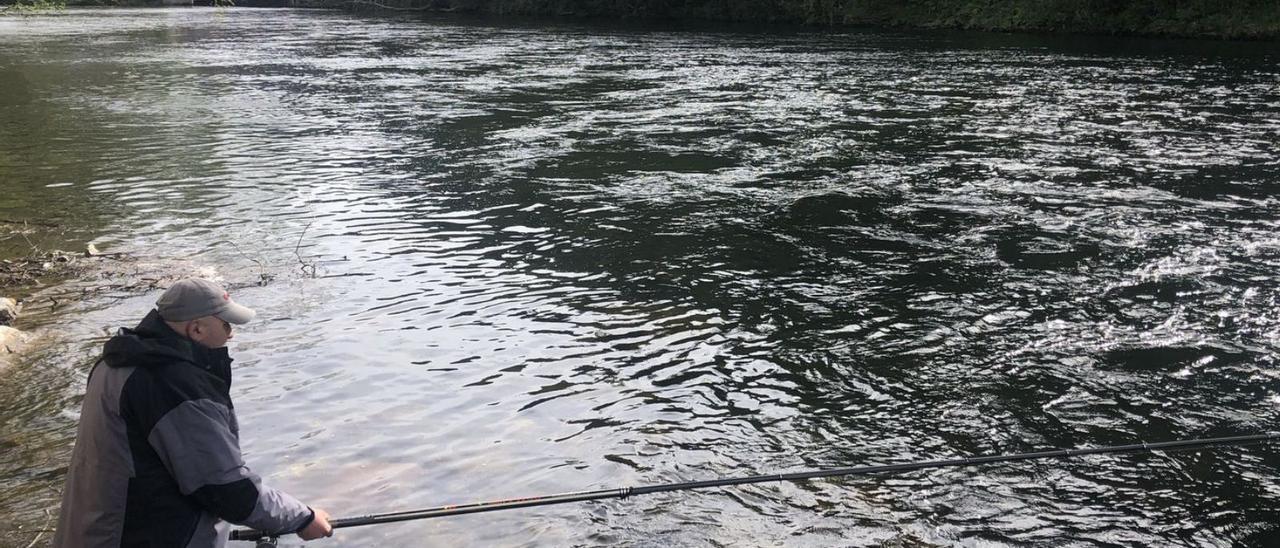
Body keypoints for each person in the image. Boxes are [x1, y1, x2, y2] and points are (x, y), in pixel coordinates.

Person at [53, 278, 333, 547]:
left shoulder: (114, 363)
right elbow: (226, 489)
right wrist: (302, 518)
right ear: (196, 329)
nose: (231, 333)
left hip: (91, 532)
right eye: (225, 324)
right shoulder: (175, 384)